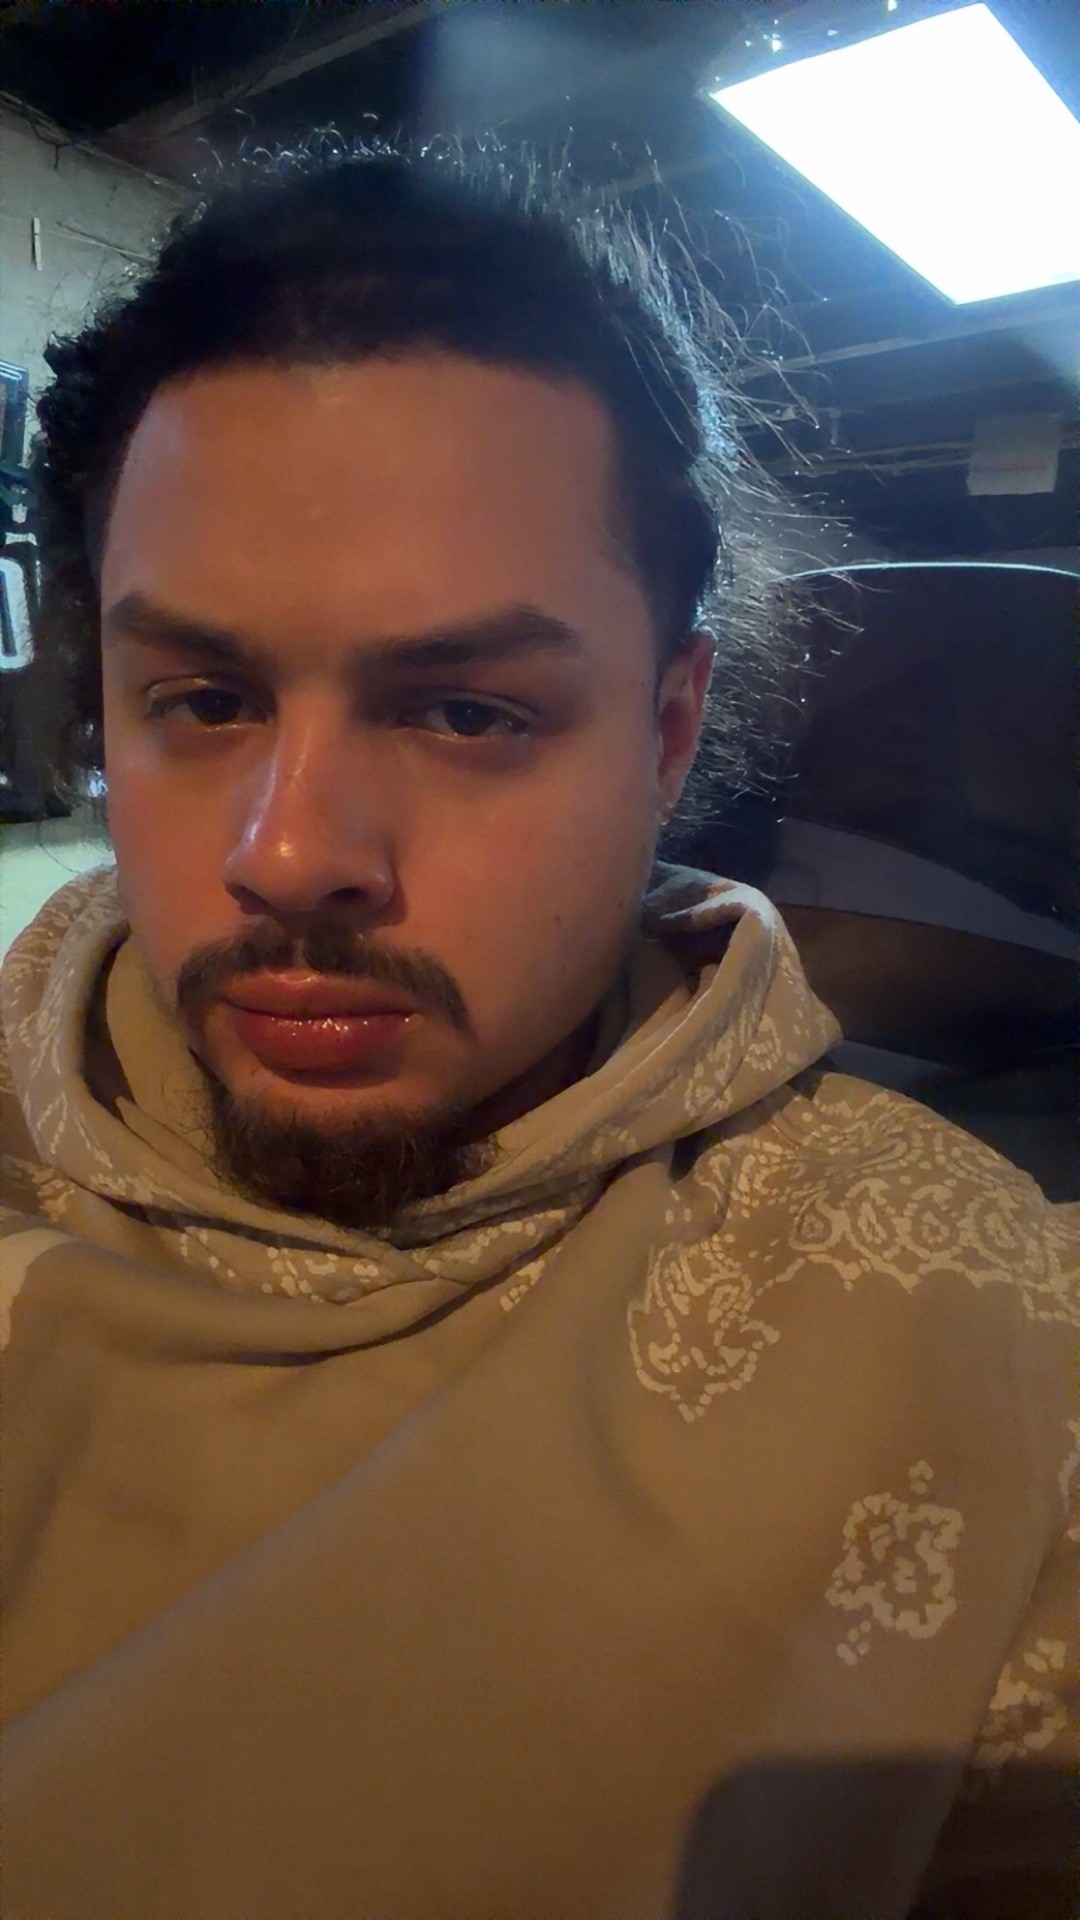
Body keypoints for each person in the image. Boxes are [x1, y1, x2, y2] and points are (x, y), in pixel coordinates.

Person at [0, 146, 1075, 1920]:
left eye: (469, 713)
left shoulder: (984, 1328)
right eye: (201, 698)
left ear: (665, 735)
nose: (291, 855)